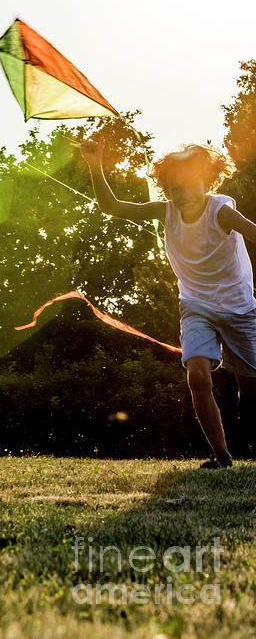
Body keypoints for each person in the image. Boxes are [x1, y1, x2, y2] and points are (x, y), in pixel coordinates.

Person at [81, 139, 256, 469]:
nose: (184, 195)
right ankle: (221, 456)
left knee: (251, 390)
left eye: (191, 187)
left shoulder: (221, 210)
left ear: (208, 183)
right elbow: (112, 207)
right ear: (166, 190)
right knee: (198, 378)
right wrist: (95, 166)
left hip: (240, 308)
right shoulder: (164, 211)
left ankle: (247, 429)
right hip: (196, 306)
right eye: (175, 189)